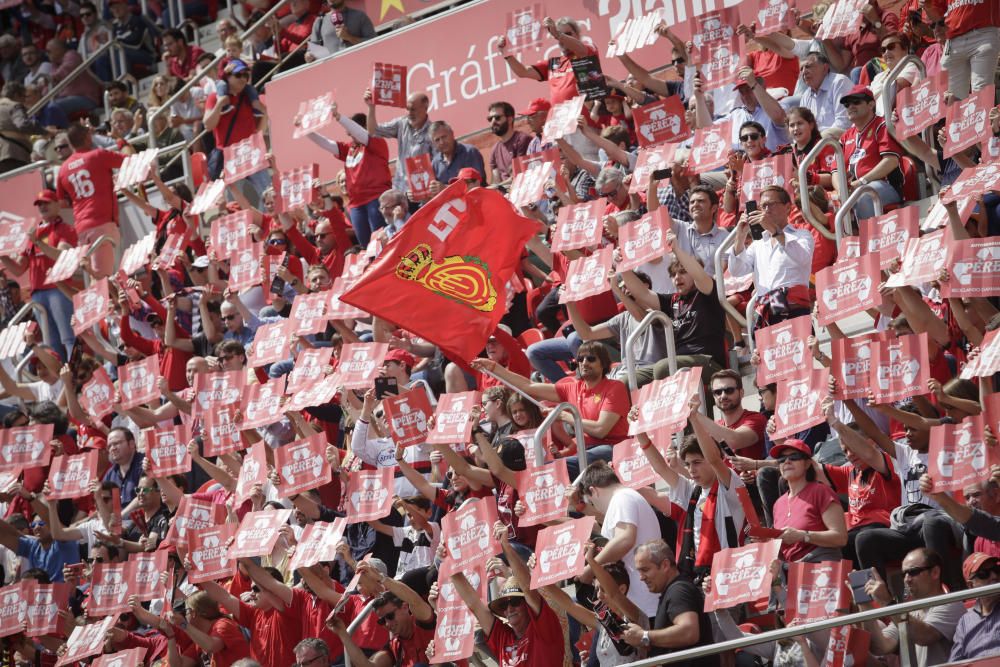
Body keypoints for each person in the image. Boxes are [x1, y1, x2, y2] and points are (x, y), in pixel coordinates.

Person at [471, 341, 630, 476]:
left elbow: (601, 429)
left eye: (591, 358)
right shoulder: (573, 388)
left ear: (603, 364)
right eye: (580, 359)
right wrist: (494, 368)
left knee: (552, 470)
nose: (584, 363)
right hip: (585, 449)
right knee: (542, 468)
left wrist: (566, 417)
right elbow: (529, 386)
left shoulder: (614, 387)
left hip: (614, 449)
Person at [450, 522, 566, 667]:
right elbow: (474, 604)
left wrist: (505, 545)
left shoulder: (543, 630)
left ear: (527, 606)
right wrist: (450, 563)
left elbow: (527, 587)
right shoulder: (503, 637)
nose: (509, 608)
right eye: (504, 604)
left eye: (515, 602)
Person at [575, 462, 662, 618]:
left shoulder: (621, 498)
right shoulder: (625, 498)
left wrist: (591, 569)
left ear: (593, 491)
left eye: (592, 501)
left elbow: (625, 539)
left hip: (645, 602)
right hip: (641, 601)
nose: (596, 506)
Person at [0, 189, 76, 359]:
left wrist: (37, 243)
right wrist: (3, 255)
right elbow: (19, 269)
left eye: (46, 202)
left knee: (69, 338)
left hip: (58, 289)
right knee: (51, 344)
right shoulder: (34, 233)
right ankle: (60, 380)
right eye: (39, 204)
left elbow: (61, 255)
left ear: (57, 204)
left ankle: (76, 374)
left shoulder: (65, 229)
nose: (42, 206)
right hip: (37, 294)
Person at [727, 185, 815, 327]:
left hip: (794, 308)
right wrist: (740, 236)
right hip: (765, 311)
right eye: (763, 206)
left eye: (771, 204)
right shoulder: (758, 244)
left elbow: (802, 258)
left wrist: (774, 230)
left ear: (788, 208)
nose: (766, 210)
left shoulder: (801, 235)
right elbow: (736, 270)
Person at [862, 548, 965, 667]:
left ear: (935, 572)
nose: (906, 579)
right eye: (903, 574)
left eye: (913, 572)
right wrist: (864, 605)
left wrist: (887, 601)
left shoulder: (951, 603)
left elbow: (924, 636)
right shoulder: (909, 611)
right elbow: (880, 646)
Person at [622, 540, 718, 666]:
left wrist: (644, 636)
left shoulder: (679, 591)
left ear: (665, 565)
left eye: (645, 570)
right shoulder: (673, 590)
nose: (641, 577)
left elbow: (689, 632)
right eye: (639, 571)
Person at [55, 121, 126, 279]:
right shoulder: (98, 155)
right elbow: (130, 161)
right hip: (101, 224)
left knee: (97, 277)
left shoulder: (63, 169)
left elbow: (62, 202)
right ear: (88, 137)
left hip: (81, 227)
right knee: (102, 280)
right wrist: (120, 140)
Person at [768, 438, 848, 562]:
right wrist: (767, 543)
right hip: (792, 572)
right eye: (782, 459)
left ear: (807, 463)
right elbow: (786, 554)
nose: (787, 461)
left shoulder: (821, 491)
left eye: (794, 457)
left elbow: (841, 538)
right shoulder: (778, 504)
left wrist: (803, 536)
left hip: (820, 567)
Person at [839, 84, 905, 219]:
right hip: (855, 188)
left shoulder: (882, 125)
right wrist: (841, 190)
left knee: (864, 195)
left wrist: (862, 182)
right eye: (847, 104)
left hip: (884, 185)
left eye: (856, 102)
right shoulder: (845, 136)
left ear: (871, 104)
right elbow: (835, 171)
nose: (851, 106)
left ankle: (868, 238)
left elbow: (891, 161)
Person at [203, 60, 269, 192]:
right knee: (235, 202)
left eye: (246, 75)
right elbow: (208, 125)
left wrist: (264, 111)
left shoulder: (250, 98)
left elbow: (260, 130)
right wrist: (219, 105)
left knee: (268, 192)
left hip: (251, 153)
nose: (243, 78)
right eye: (238, 75)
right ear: (228, 77)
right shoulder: (214, 97)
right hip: (229, 158)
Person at [923, 0, 1000, 100]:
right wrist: (927, 6)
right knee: (950, 97)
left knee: (980, 94)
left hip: (982, 34)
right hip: (953, 40)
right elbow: (937, 16)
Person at [366, 89, 432, 198]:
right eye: (407, 109)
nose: (409, 113)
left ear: (425, 108)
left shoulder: (433, 131)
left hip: (422, 193)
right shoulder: (402, 123)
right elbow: (373, 131)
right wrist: (371, 107)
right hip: (400, 190)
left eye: (413, 109)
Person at [950, 553, 1000, 661]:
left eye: (996, 570)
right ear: (971, 585)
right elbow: (955, 662)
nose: (994, 576)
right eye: (984, 574)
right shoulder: (964, 622)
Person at [798, 52, 853, 137]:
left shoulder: (839, 82)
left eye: (808, 66)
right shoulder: (806, 95)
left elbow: (844, 122)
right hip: (817, 144)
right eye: (801, 69)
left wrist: (818, 142)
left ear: (825, 68)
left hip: (839, 141)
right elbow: (802, 126)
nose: (804, 72)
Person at [46, 38, 102, 116]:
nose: (47, 54)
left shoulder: (72, 55)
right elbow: (49, 86)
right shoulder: (54, 65)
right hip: (67, 98)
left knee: (54, 107)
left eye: (49, 51)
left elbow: (64, 70)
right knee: (43, 108)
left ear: (59, 49)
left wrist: (49, 79)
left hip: (86, 98)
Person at [307, 0, 375, 60]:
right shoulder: (320, 21)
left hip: (359, 63)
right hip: (333, 70)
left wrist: (349, 37)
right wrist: (309, 56)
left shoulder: (359, 16)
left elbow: (374, 42)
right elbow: (311, 50)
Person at [428, 120, 486, 187]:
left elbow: (478, 184)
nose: (442, 142)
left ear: (452, 134)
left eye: (444, 137)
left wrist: (446, 189)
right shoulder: (435, 163)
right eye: (437, 140)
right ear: (433, 144)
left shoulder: (469, 152)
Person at [0, 82, 43, 173]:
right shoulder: (14, 105)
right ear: (16, 95)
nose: (24, 101)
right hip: (13, 155)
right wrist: (45, 131)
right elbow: (23, 125)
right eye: (23, 96)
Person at [488, 101, 532, 184]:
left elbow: (518, 177)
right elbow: (495, 181)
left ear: (509, 119)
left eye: (497, 118)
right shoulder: (495, 150)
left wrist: (496, 187)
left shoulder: (522, 140)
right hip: (506, 194)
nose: (493, 122)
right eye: (490, 119)